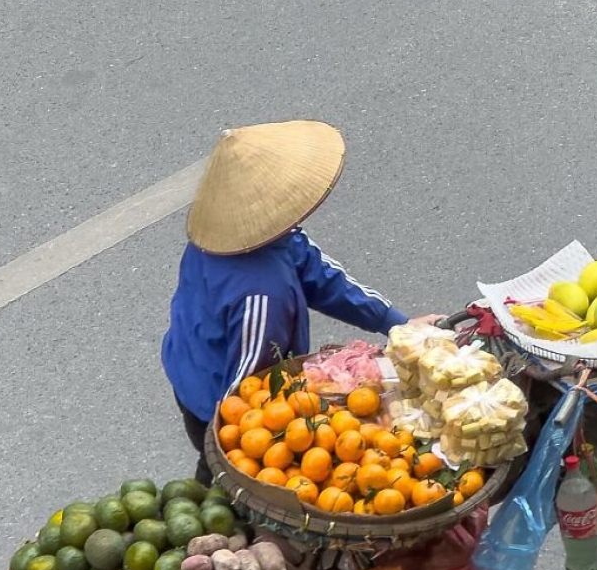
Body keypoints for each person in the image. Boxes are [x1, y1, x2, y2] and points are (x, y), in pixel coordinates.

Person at [162, 119, 444, 484]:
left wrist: (395, 323)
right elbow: (250, 388)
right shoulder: (263, 294)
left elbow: (321, 275)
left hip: (190, 361)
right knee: (223, 483)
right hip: (215, 398)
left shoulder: (236, 235)